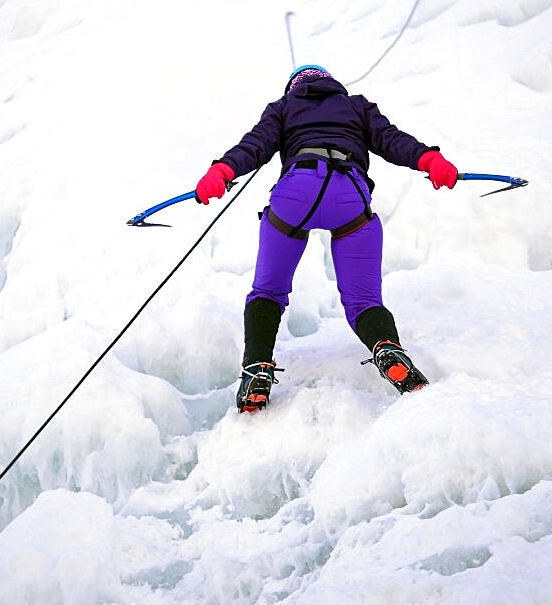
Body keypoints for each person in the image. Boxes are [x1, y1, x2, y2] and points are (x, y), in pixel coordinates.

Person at [195, 65, 458, 413]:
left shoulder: (284, 107)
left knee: (268, 292)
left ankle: (257, 369)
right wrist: (430, 159)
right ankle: (388, 349)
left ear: (294, 87)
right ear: (332, 84)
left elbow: (255, 145)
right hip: (348, 193)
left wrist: (222, 171)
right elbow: (392, 140)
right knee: (364, 301)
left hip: (296, 193)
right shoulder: (357, 105)